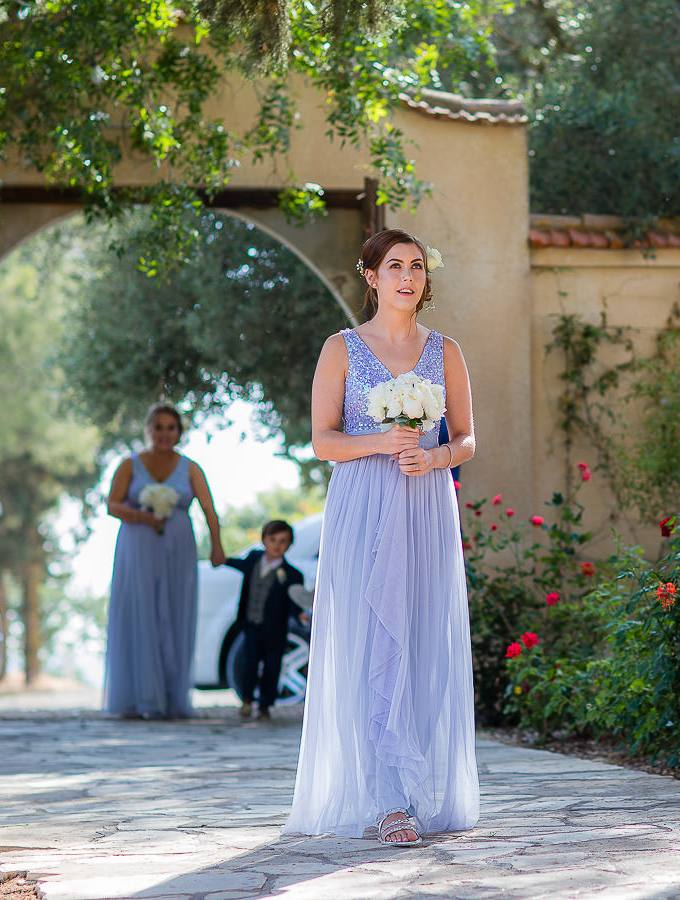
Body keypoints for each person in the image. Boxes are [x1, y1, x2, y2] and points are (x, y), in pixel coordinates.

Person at [282, 228, 478, 847]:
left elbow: (468, 438)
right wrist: (381, 442)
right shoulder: (340, 348)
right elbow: (322, 440)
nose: (408, 277)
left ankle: (420, 788)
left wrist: (437, 457)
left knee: (421, 640)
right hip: (363, 505)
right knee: (370, 641)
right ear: (371, 276)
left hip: (425, 505)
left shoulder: (446, 351)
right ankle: (385, 798)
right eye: (395, 266)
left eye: (417, 267)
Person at [103, 403, 226, 719]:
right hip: (138, 546)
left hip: (179, 548)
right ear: (148, 430)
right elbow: (112, 505)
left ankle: (174, 698)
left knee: (175, 612)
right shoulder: (129, 464)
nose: (164, 434)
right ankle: (142, 697)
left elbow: (209, 510)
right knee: (141, 611)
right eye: (158, 427)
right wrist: (141, 517)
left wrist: (216, 546)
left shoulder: (190, 467)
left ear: (179, 432)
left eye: (170, 427)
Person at [218, 519, 306, 721]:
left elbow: (294, 601)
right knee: (250, 661)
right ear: (264, 540)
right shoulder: (253, 560)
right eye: (273, 539)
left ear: (290, 544)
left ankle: (265, 704)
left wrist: (299, 614)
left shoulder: (292, 574)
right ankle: (247, 699)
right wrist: (222, 559)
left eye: (283, 541)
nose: (277, 545)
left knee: (272, 665)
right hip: (252, 624)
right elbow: (238, 564)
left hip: (276, 629)